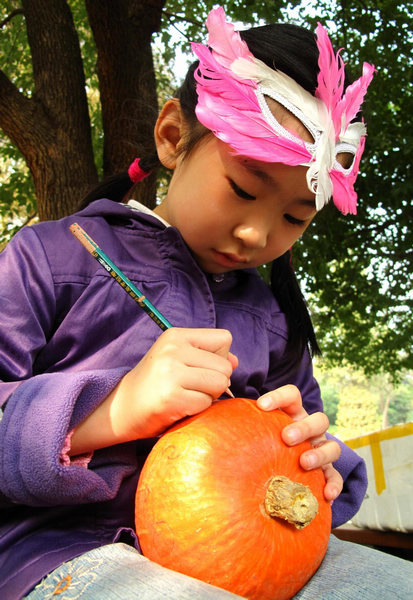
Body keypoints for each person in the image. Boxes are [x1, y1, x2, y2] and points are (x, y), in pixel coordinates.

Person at [0, 6, 411, 599]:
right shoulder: (53, 257)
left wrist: (318, 461)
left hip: (259, 555)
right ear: (172, 137)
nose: (257, 235)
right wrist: (111, 411)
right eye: (243, 189)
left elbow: (308, 455)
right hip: (59, 554)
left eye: (295, 217)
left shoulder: (272, 322)